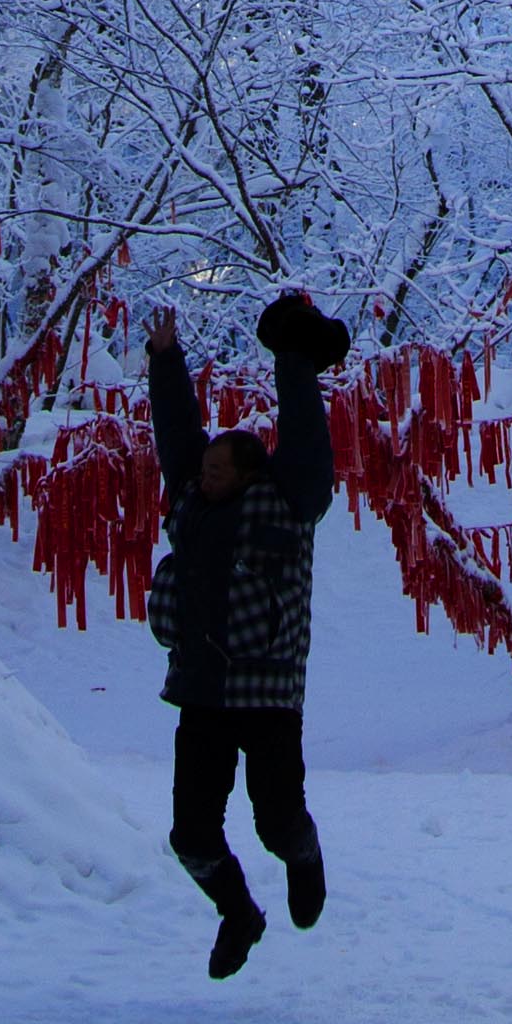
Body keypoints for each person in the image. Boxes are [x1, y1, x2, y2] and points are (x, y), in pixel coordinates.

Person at [145, 289, 346, 981]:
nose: (204, 474)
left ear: (250, 472)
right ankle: (239, 913)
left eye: (218, 468)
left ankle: (303, 854)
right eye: (203, 470)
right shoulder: (192, 503)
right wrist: (165, 361)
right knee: (190, 834)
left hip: (266, 695)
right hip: (200, 691)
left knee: (274, 818)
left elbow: (307, 439)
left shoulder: (289, 502)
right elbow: (176, 433)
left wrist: (293, 358)